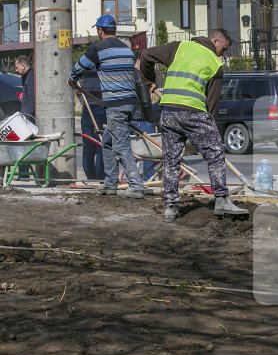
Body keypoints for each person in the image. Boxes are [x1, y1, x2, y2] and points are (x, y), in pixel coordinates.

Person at [140, 28, 249, 222]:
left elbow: (146, 55)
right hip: (194, 112)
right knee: (215, 154)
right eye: (223, 49)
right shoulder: (215, 63)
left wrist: (149, 80)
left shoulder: (179, 47)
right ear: (215, 41)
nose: (222, 54)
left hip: (169, 112)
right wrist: (212, 129)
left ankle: (171, 207)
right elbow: (212, 103)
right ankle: (222, 199)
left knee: (171, 160)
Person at [68, 14, 145, 198]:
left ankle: (136, 185)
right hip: (129, 103)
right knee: (108, 142)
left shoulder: (98, 48)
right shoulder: (126, 49)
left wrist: (72, 79)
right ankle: (110, 183)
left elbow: (80, 67)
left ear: (100, 31)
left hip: (116, 105)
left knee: (121, 145)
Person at [131, 51, 157, 181]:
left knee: (131, 152)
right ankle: (148, 179)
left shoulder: (126, 75)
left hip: (129, 119)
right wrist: (151, 119)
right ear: (138, 61)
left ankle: (133, 179)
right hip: (141, 119)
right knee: (149, 152)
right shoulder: (139, 77)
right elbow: (145, 101)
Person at [78, 70, 106, 181]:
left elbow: (77, 86)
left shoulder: (84, 66)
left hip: (90, 107)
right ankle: (99, 178)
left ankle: (92, 177)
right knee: (100, 145)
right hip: (98, 107)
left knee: (89, 145)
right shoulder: (103, 66)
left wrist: (84, 102)